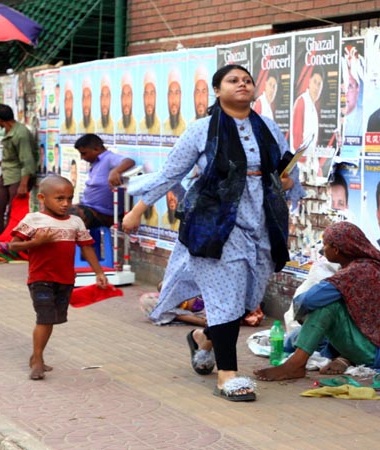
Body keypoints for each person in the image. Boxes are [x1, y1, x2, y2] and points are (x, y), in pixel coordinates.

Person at [122, 64, 302, 402]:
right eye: (233, 81)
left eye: (247, 80)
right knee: (225, 299)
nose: (242, 85)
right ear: (217, 91)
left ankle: (203, 339)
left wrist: (288, 180)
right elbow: (169, 173)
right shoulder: (201, 130)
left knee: (245, 300)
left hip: (261, 224)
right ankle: (227, 375)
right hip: (216, 225)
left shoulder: (268, 128)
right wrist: (137, 210)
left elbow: (286, 169)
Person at [254, 221, 380, 381]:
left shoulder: (356, 272)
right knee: (301, 335)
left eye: (325, 245)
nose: (323, 249)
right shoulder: (372, 266)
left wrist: (303, 314)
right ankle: (312, 354)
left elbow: (307, 300)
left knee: (327, 307)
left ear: (336, 250)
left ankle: (296, 364)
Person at [9, 175, 108, 381]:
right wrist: (35, 243)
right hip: (40, 278)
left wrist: (99, 273)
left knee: (52, 319)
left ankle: (37, 355)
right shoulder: (33, 220)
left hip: (65, 279)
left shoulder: (75, 222)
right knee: (44, 318)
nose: (65, 204)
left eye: (69, 199)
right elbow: (12, 245)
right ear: (43, 198)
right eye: (60, 199)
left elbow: (87, 247)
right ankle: (37, 360)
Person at [0, 104, 39, 238]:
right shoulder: (8, 130)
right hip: (7, 174)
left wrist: (23, 184)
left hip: (19, 177)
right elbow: (12, 154)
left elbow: (27, 160)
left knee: (14, 210)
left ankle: (12, 241)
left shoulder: (21, 134)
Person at [68, 133, 136, 229]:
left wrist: (115, 171)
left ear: (96, 149)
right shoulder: (95, 163)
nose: (82, 158)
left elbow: (129, 161)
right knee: (53, 211)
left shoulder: (108, 158)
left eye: (84, 153)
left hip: (103, 213)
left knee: (69, 216)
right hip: (88, 207)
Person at [291, 68, 323, 153]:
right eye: (314, 82)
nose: (316, 87)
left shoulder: (314, 109)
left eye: (319, 84)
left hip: (309, 161)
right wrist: (303, 160)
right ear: (309, 82)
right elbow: (297, 137)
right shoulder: (302, 102)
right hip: (301, 161)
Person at [163, 69, 186, 136]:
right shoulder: (163, 128)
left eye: (177, 93)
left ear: (180, 96)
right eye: (171, 93)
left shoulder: (187, 127)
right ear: (167, 96)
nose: (173, 100)